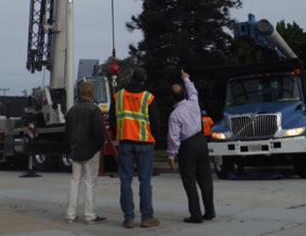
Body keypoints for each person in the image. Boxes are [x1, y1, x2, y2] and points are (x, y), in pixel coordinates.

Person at [109, 67, 160, 229]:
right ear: (143, 80)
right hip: (145, 143)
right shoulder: (148, 98)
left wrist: (116, 135)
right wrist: (155, 138)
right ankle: (147, 217)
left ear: (131, 78)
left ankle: (128, 218)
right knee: (145, 180)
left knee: (125, 180)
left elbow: (112, 120)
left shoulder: (118, 96)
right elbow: (156, 122)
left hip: (125, 142)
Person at [167, 70, 215, 223]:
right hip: (201, 141)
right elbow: (193, 90)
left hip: (187, 146)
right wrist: (186, 78)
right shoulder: (193, 102)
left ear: (171, 98)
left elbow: (174, 138)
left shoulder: (174, 115)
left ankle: (196, 214)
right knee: (205, 178)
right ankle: (210, 210)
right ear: (184, 94)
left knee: (189, 181)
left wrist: (171, 155)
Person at [65, 81, 106, 225]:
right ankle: (89, 215)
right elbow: (99, 132)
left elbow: (67, 132)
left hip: (75, 150)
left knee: (75, 181)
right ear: (91, 93)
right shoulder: (94, 110)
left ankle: (70, 214)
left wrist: (70, 147)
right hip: (91, 151)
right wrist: (100, 145)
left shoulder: (72, 110)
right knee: (90, 182)